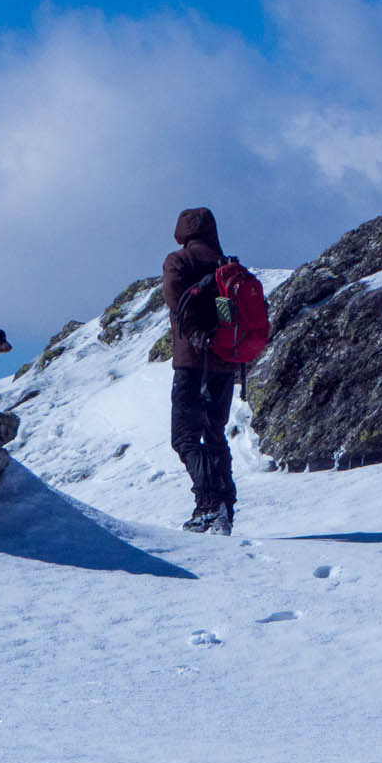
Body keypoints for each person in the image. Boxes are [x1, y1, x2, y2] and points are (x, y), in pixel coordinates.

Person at [162, 207, 239, 534]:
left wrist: (195, 335)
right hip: (226, 363)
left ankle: (209, 507)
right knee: (214, 432)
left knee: (184, 436)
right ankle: (225, 508)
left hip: (193, 362)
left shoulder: (178, 261)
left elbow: (175, 303)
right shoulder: (229, 265)